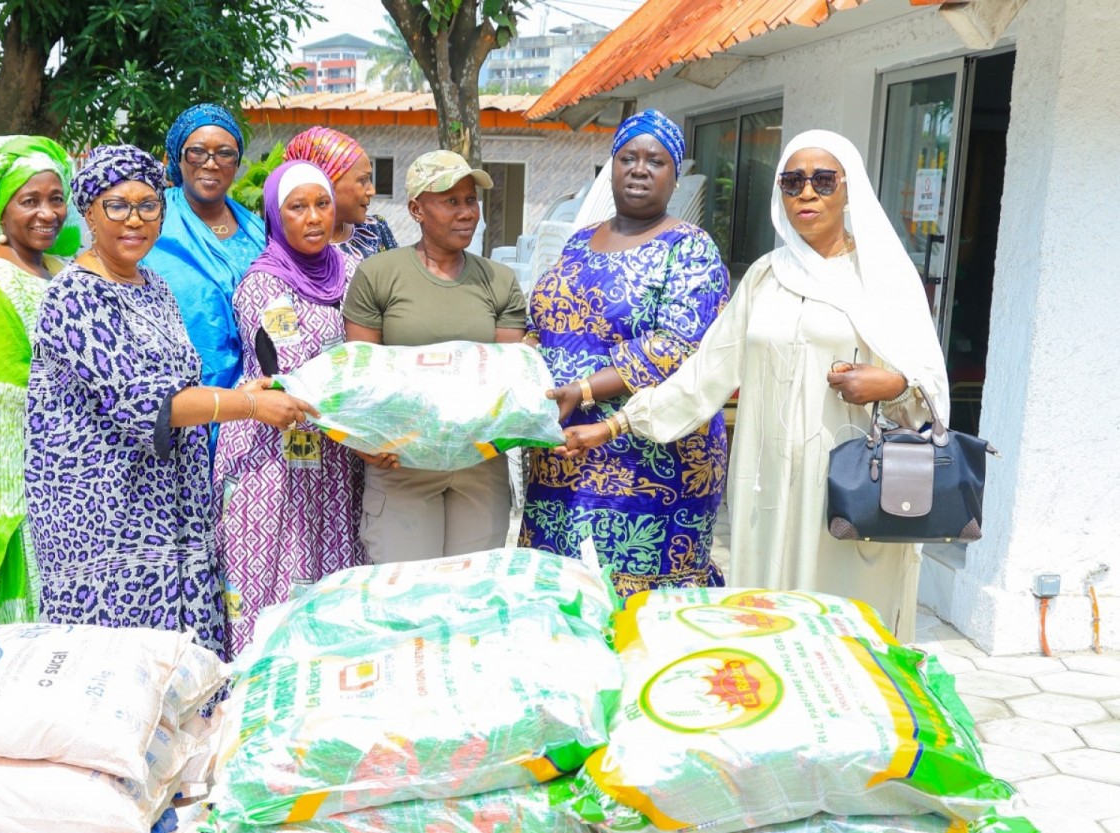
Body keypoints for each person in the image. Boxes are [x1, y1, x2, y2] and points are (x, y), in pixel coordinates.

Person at [558, 130, 949, 640]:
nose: (806, 194)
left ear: (849, 190)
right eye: (792, 182)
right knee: (768, 625)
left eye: (823, 180)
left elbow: (930, 395)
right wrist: (613, 425)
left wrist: (891, 383)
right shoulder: (767, 276)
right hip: (766, 484)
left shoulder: (881, 278)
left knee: (846, 631)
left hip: (851, 487)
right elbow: (705, 375)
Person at [26, 145, 315, 655]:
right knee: (117, 664)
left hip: (169, 502)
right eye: (117, 206)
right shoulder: (75, 296)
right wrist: (247, 408)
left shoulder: (153, 285)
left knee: (178, 661)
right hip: (104, 512)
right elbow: (143, 400)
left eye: (148, 205)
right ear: (89, 211)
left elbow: (177, 383)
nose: (134, 220)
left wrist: (243, 391)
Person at [521, 111, 731, 596]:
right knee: (562, 597)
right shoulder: (578, 241)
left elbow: (677, 345)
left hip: (651, 458)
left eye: (655, 161)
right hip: (563, 453)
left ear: (674, 176)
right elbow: (543, 323)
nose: (639, 169)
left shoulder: (691, 248)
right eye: (627, 158)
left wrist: (584, 390)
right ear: (610, 167)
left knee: (640, 615)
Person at [342, 150, 528, 563]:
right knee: (406, 595)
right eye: (450, 201)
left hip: (480, 462)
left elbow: (506, 375)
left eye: (470, 201)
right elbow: (360, 374)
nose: (466, 213)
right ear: (416, 209)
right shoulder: (379, 274)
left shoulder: (499, 280)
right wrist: (364, 442)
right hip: (402, 467)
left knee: (470, 597)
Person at [217, 162, 367, 655]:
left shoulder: (353, 274)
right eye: (296, 207)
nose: (313, 218)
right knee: (270, 573)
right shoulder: (263, 284)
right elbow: (291, 365)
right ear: (276, 217)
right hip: (274, 454)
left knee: (329, 574)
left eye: (322, 204)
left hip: (336, 453)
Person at [0, 134, 81, 638]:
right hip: (17, 470)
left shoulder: (57, 269)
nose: (46, 213)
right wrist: (9, 499)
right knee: (20, 595)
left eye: (55, 198)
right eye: (29, 201)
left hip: (63, 468)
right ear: (0, 212)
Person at [142, 103, 266, 392]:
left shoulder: (259, 231)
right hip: (176, 396)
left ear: (236, 163)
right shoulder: (151, 221)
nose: (211, 163)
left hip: (253, 403)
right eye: (197, 152)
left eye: (225, 154)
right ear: (178, 157)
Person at [283, 125, 398, 261]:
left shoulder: (376, 230)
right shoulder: (291, 249)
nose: (372, 191)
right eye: (363, 180)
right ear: (328, 181)